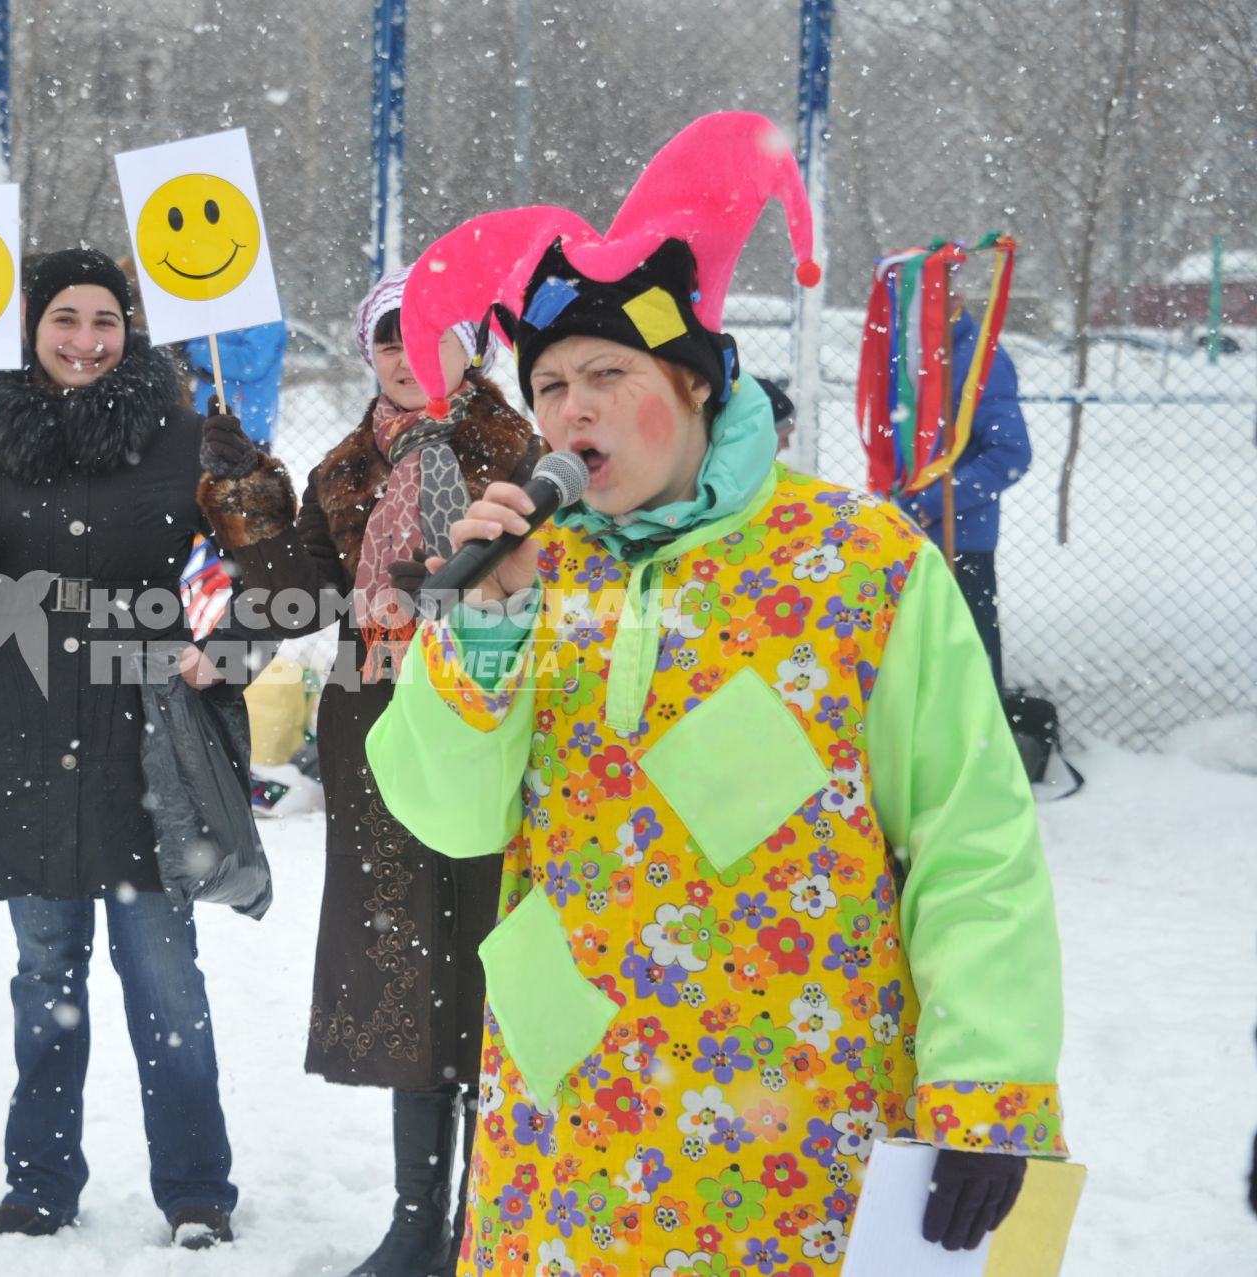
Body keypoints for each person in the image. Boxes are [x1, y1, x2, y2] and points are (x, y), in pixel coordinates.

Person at [364, 112, 1067, 1275]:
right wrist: (482, 633)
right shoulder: (531, 569)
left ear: (693, 385)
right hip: (569, 1125)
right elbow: (449, 816)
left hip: (790, 1123)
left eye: (608, 374)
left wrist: (985, 1077)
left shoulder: (859, 562)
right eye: (548, 385)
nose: (573, 409)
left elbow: (970, 833)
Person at [195, 267, 539, 1276]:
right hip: (378, 737)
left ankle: (488, 1221)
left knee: (493, 976)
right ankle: (413, 1221)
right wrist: (251, 499)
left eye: (428, 334)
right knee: (410, 978)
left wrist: (439, 590)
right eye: (388, 337)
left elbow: (538, 586)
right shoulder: (345, 467)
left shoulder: (519, 452)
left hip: (489, 729)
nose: (405, 354)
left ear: (470, 348)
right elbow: (303, 600)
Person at [0, 248, 242, 1251]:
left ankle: (195, 1189)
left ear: (131, 326)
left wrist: (219, 639)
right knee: (47, 980)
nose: (85, 338)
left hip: (145, 749)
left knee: (165, 982)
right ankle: (40, 1182)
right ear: (32, 325)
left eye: (105, 318)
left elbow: (255, 573)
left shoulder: (187, 437)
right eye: (66, 317)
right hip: (23, 742)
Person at [893, 302, 1031, 691]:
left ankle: (983, 747)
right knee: (916, 673)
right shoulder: (908, 351)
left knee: (967, 673)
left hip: (959, 545)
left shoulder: (979, 358)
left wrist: (930, 504)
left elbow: (1010, 454)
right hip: (900, 538)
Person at [184, 320, 290, 446]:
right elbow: (192, 347)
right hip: (206, 424)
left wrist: (201, 355)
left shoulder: (266, 311)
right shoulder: (215, 307)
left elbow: (250, 363)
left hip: (247, 427)